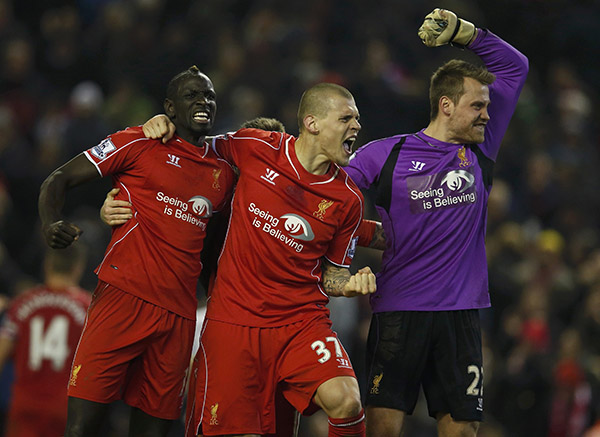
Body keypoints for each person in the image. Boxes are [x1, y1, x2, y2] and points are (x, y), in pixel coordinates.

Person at [143, 82, 377, 437]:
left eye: (357, 119)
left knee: (347, 402)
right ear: (312, 123)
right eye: (346, 118)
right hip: (234, 323)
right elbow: (194, 149)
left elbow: (333, 275)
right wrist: (164, 124)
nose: (356, 127)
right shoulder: (256, 146)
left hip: (300, 321)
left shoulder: (348, 199)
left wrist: (349, 285)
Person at [343, 8, 529, 437]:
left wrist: (466, 34)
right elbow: (333, 200)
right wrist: (367, 240)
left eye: (487, 105)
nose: (487, 113)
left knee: (463, 431)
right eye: (477, 105)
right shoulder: (383, 154)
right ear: (446, 105)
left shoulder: (481, 149)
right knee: (383, 429)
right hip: (398, 310)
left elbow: (514, 66)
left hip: (461, 314)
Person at [38, 66, 237, 437]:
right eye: (192, 95)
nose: (203, 103)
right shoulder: (138, 142)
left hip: (178, 316)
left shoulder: (224, 170)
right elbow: (59, 179)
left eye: (209, 96)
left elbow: (212, 243)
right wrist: (51, 222)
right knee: (83, 428)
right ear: (169, 108)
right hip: (122, 298)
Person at [0, 244, 92, 437]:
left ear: (47, 264)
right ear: (78, 267)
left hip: (24, 405)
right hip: (64, 410)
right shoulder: (88, 310)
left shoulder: (21, 304)